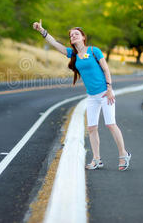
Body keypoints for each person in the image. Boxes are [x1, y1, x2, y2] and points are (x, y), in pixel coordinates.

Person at [32, 19, 131, 171]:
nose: (73, 37)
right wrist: (42, 31)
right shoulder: (73, 54)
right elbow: (55, 44)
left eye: (76, 34)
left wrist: (110, 89)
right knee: (91, 128)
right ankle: (97, 159)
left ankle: (123, 154)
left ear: (83, 37)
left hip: (105, 93)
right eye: (71, 36)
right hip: (91, 97)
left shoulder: (94, 51)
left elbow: (106, 69)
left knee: (110, 124)